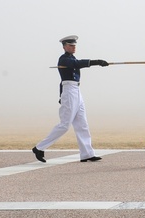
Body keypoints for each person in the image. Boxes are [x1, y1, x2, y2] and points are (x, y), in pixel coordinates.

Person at [32, 35, 108, 163]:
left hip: (76, 91)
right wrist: (96, 62)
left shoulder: (72, 58)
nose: (73, 47)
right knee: (64, 125)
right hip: (70, 92)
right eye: (70, 45)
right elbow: (75, 67)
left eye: (74, 45)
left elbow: (63, 80)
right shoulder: (63, 59)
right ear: (64, 47)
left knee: (82, 124)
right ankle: (39, 148)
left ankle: (87, 154)